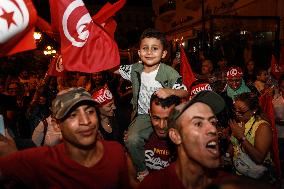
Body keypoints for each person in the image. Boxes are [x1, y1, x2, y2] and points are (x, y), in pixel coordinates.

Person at [0, 87, 130, 189]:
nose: (85, 121)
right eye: (72, 115)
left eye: (90, 111)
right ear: (57, 126)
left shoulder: (116, 152)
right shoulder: (42, 161)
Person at [116, 28, 188, 181]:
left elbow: (185, 92)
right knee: (132, 139)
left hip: (167, 116)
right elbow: (114, 69)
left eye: (154, 48)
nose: (149, 52)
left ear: (163, 54)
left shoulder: (170, 73)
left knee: (179, 141)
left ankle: (179, 173)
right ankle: (142, 171)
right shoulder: (135, 69)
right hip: (143, 115)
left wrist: (170, 91)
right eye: (145, 48)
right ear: (139, 52)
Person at [138, 90, 227, 189]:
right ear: (176, 135)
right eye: (198, 123)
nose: (213, 129)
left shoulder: (229, 183)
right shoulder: (154, 184)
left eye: (213, 122)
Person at [127, 93, 180, 188]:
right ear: (150, 113)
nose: (161, 126)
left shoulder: (183, 141)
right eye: (156, 118)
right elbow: (131, 178)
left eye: (167, 119)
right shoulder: (137, 139)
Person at [228, 92, 275, 182]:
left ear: (254, 110)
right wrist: (226, 156)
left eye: (241, 110)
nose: (237, 113)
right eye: (235, 109)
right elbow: (234, 145)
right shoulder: (239, 122)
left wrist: (241, 137)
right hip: (239, 174)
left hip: (257, 178)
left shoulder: (262, 127)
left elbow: (259, 158)